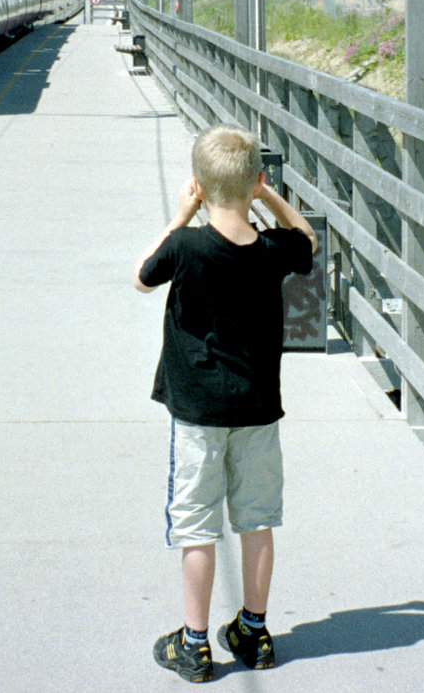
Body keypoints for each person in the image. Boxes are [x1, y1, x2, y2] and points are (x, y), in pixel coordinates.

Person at [133, 125, 317, 683]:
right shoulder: (272, 251)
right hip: (258, 411)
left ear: (198, 186)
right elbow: (306, 238)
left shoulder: (185, 248)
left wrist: (180, 215)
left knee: (196, 527)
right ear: (255, 180)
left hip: (198, 415)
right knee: (257, 522)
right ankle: (253, 631)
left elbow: (143, 277)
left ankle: (193, 643)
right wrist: (269, 196)